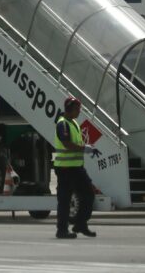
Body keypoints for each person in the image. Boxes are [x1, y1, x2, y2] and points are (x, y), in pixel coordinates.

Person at [54, 96, 99, 239]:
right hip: (65, 169)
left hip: (77, 168)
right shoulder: (62, 124)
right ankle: (61, 230)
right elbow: (66, 144)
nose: (79, 111)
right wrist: (84, 149)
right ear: (71, 109)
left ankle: (80, 224)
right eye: (78, 109)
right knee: (65, 200)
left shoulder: (73, 122)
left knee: (89, 194)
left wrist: (87, 148)